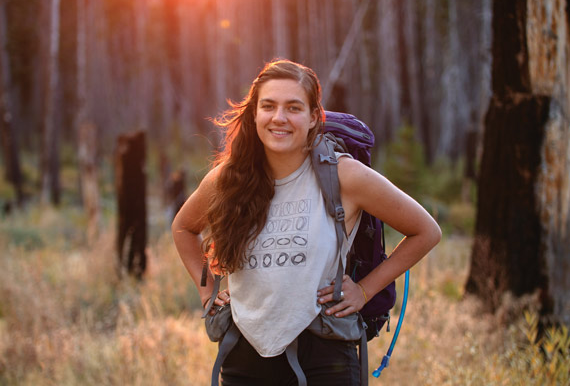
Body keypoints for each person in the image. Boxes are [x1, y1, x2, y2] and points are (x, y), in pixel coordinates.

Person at [172, 59, 441, 385]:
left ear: (314, 116)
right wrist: (207, 292)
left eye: (293, 107)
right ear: (254, 113)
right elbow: (184, 227)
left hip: (324, 354)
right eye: (268, 106)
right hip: (244, 352)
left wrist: (364, 291)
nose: (279, 118)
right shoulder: (228, 178)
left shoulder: (344, 175)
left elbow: (426, 231)